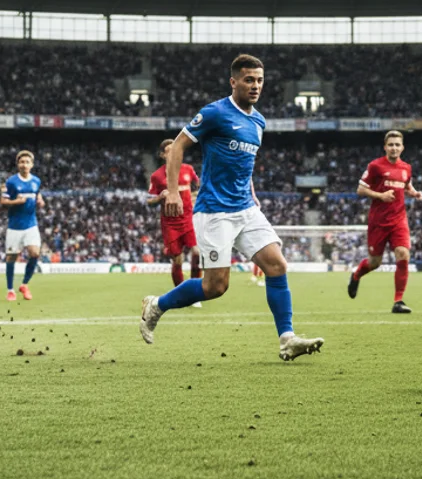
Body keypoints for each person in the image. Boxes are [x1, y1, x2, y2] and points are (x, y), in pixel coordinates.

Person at [138, 54, 324, 361]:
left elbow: (244, 166)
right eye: (249, 80)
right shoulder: (215, 112)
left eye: (260, 80)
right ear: (233, 81)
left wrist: (251, 195)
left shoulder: (259, 121)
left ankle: (287, 338)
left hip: (246, 208)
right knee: (215, 287)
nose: (255, 86)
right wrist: (172, 192)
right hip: (214, 211)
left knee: (277, 265)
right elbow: (179, 146)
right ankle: (157, 305)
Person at [348, 130, 422, 313]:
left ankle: (398, 301)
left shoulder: (406, 167)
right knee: (375, 262)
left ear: (402, 147)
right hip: (378, 221)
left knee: (403, 254)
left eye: (397, 144)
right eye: (391, 145)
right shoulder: (375, 166)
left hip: (399, 220)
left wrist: (414, 193)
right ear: (385, 147)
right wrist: (380, 195)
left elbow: (406, 184)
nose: (394, 148)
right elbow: (360, 189)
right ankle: (357, 275)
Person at [146, 139, 203, 307]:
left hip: (189, 219)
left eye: (176, 149)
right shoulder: (157, 176)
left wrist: (194, 196)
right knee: (177, 260)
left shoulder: (188, 170)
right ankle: (182, 295)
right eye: (169, 150)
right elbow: (149, 201)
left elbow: (200, 187)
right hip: (170, 223)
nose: (173, 153)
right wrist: (159, 197)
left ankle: (196, 292)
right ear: (163, 155)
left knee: (197, 253)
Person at [1, 151, 44, 302]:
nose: (24, 164)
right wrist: (15, 202)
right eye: (21, 162)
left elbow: (37, 194)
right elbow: (3, 202)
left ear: (31, 165)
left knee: (35, 253)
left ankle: (24, 284)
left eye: (27, 162)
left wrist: (40, 201)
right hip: (14, 226)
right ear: (18, 164)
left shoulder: (36, 181)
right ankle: (10, 290)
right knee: (11, 257)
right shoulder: (11, 182)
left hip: (31, 224)